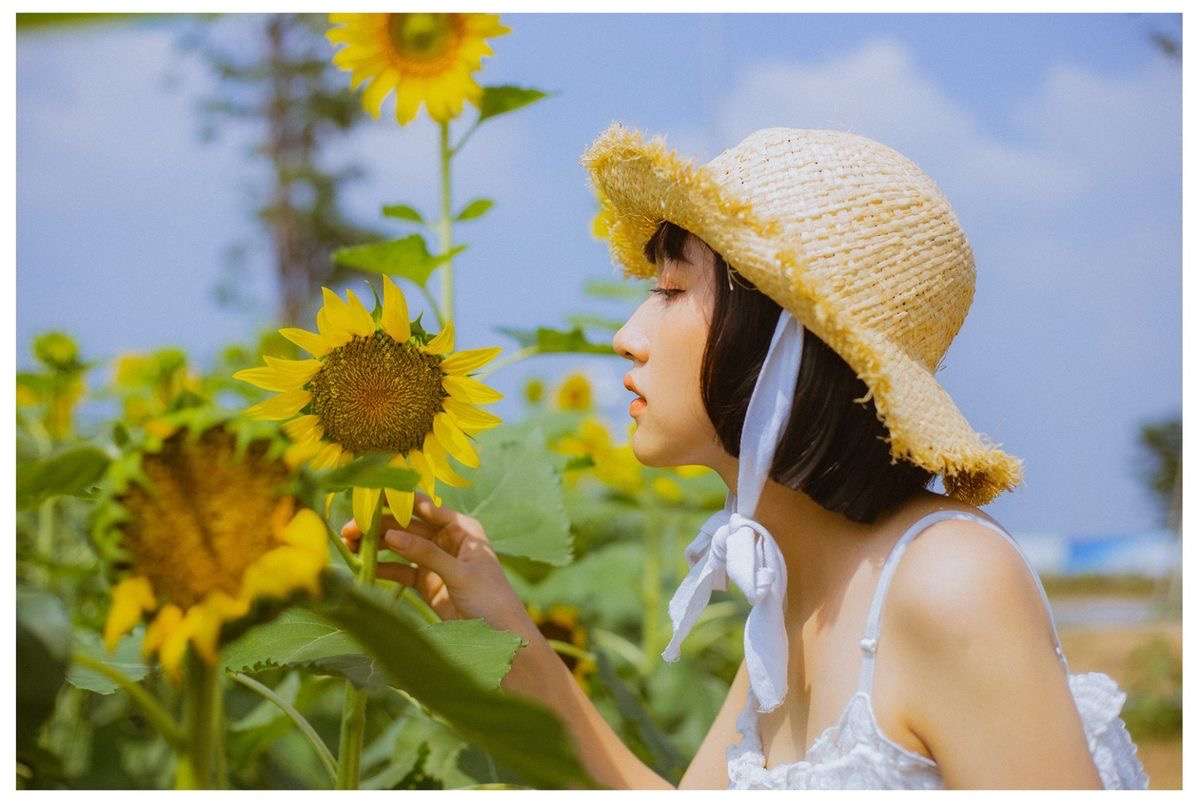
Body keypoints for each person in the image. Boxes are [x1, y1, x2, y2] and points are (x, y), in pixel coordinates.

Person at [341, 123, 1149, 790]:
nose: (627, 334)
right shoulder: (790, 594)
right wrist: (509, 637)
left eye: (667, 291)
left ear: (783, 337)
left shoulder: (949, 583)